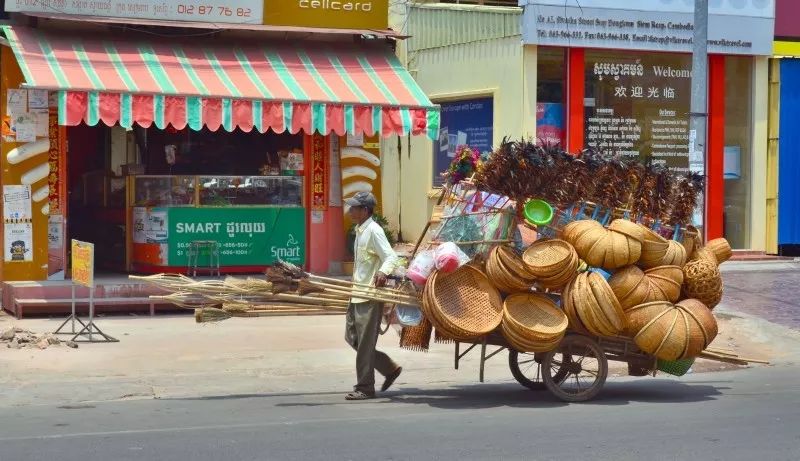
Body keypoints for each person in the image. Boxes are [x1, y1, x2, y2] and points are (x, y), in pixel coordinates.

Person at [343, 191, 402, 400]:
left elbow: (391, 257)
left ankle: (365, 387)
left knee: (365, 345)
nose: (350, 210)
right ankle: (389, 368)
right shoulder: (360, 229)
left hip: (369, 296)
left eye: (354, 207)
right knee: (352, 338)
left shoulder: (374, 231)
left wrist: (383, 272)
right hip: (356, 294)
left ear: (365, 210)